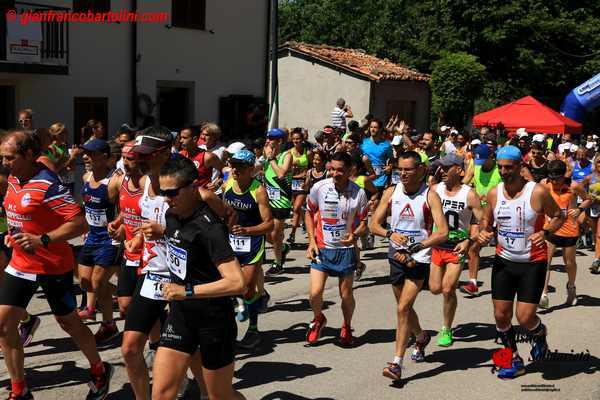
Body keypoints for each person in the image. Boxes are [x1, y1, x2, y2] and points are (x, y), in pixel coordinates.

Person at [0, 131, 113, 400]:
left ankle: (99, 369)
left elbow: (78, 223)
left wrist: (43, 239)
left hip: (52, 265)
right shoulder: (16, 177)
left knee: (69, 323)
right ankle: (20, 389)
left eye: (9, 157)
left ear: (28, 155)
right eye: (2, 157)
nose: (4, 162)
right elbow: (19, 211)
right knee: (3, 327)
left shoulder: (47, 185)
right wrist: (14, 231)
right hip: (20, 263)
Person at [152, 156, 246, 400]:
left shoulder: (210, 229)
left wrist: (188, 291)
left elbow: (237, 282)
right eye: (163, 192)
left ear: (193, 188)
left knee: (220, 397)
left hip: (214, 321)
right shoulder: (173, 215)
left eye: (172, 192)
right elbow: (184, 245)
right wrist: (159, 233)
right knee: (161, 394)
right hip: (182, 316)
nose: (166, 198)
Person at [476, 145, 564, 379]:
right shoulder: (495, 193)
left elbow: (558, 216)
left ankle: (539, 332)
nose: (504, 172)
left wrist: (545, 233)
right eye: (501, 167)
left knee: (524, 318)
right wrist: (484, 232)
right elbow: (486, 222)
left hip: (532, 262)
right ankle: (513, 359)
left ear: (519, 167)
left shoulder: (537, 192)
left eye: (508, 167)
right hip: (504, 261)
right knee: (501, 316)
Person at [370, 151, 448, 382]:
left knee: (403, 308)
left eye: (408, 169)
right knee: (403, 307)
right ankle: (421, 336)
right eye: (400, 169)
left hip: (419, 258)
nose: (403, 174)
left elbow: (442, 232)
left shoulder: (430, 196)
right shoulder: (391, 192)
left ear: (421, 170)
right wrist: (390, 234)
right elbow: (373, 224)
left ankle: (396, 363)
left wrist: (417, 247)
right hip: (396, 256)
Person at [305, 152, 368, 346]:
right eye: (332, 169)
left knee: (346, 294)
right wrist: (311, 242)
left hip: (346, 251)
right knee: (315, 293)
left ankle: (347, 326)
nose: (335, 173)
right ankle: (318, 319)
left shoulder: (359, 193)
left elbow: (365, 223)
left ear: (350, 171)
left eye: (340, 170)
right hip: (322, 248)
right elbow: (308, 213)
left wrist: (355, 235)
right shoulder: (319, 187)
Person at [429, 154, 482, 347]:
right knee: (435, 288)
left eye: (446, 168)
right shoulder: (434, 190)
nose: (441, 171)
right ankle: (451, 291)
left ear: (459, 171)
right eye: (440, 167)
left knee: (447, 288)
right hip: (437, 246)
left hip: (457, 246)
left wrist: (469, 240)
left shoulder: (469, 194)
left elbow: (480, 221)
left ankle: (446, 328)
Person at [223, 149, 273, 350]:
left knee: (246, 287)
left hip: (252, 243)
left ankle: (253, 329)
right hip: (231, 241)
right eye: (233, 165)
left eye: (240, 167)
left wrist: (247, 230)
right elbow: (225, 211)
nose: (235, 170)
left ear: (251, 169)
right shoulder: (229, 182)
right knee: (230, 286)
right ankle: (231, 326)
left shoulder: (258, 190)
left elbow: (269, 224)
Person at [77, 139, 121, 343]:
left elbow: (126, 207)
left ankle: (108, 324)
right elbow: (86, 208)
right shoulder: (86, 177)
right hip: (91, 236)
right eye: (85, 153)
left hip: (108, 239)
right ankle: (124, 295)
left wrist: (121, 227)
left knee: (97, 282)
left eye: (91, 154)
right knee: (85, 281)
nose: (86, 157)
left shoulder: (115, 181)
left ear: (104, 157)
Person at [538, 160, 590, 308]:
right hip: (550, 228)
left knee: (569, 263)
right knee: (545, 262)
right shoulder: (544, 183)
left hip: (569, 230)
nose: (554, 182)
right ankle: (543, 294)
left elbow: (588, 199)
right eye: (552, 178)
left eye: (557, 178)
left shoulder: (573, 186)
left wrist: (579, 209)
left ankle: (571, 287)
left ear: (564, 175)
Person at [460, 144, 502, 296]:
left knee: (502, 250)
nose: (480, 164)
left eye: (483, 161)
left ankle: (505, 281)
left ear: (491, 157)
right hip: (480, 214)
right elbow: (463, 183)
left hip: (499, 215)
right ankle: (472, 283)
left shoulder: (500, 170)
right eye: (478, 161)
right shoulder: (475, 167)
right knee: (474, 248)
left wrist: (492, 197)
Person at [263, 128, 293, 275]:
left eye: (272, 139)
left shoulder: (286, 155)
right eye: (268, 138)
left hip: (281, 200)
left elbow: (281, 174)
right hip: (267, 200)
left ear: (280, 141)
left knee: (275, 234)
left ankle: (278, 263)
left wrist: (272, 159)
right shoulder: (266, 153)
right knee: (266, 233)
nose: (268, 141)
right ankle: (282, 248)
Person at [360, 119, 392, 193]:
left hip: (381, 180)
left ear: (380, 129)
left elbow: (392, 159)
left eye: (375, 127)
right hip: (366, 179)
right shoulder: (363, 143)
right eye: (371, 127)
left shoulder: (386, 145)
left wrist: (390, 166)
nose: (372, 129)